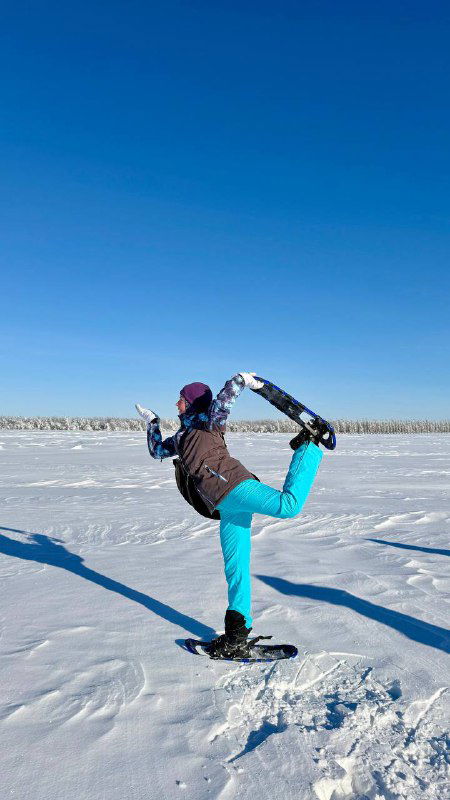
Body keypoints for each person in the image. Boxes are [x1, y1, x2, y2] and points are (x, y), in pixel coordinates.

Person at [136, 372, 323, 658]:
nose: (177, 404)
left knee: (289, 506)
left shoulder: (209, 422)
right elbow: (157, 451)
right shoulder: (182, 435)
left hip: (236, 486)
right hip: (224, 506)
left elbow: (225, 400)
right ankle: (236, 635)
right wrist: (152, 423)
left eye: (181, 400)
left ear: (193, 402)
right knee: (236, 570)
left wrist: (244, 381)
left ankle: (308, 445)